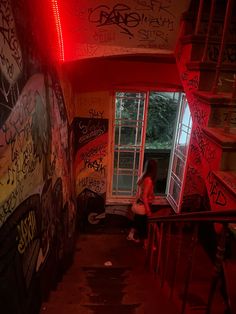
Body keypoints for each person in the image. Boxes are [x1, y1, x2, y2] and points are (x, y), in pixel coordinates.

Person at [127, 159, 157, 245]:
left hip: (140, 203)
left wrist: (151, 193)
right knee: (144, 225)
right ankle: (146, 244)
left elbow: (140, 186)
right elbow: (144, 196)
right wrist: (148, 210)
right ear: (154, 169)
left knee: (137, 221)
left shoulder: (143, 176)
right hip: (144, 205)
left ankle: (131, 235)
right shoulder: (149, 180)